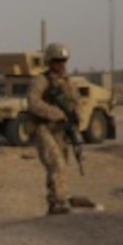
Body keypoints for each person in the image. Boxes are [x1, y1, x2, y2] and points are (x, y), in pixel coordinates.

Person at [26, 42, 81, 215]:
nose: (61, 65)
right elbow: (33, 102)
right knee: (56, 163)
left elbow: (75, 102)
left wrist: (75, 119)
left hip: (60, 129)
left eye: (63, 61)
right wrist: (54, 112)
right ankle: (58, 202)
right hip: (43, 126)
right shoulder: (41, 81)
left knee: (62, 164)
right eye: (57, 61)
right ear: (49, 62)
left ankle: (58, 198)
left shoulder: (68, 82)